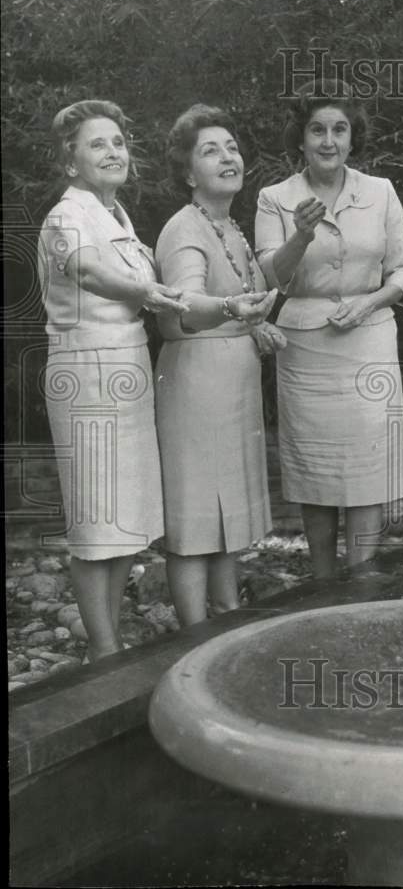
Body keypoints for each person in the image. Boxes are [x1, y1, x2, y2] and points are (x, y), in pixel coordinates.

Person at [38, 99, 187, 662]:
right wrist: (145, 293)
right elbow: (85, 270)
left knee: (128, 517)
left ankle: (109, 639)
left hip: (128, 371)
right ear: (71, 161)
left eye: (119, 142)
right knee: (95, 519)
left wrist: (228, 305)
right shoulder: (64, 215)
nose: (113, 152)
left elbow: (162, 290)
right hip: (84, 376)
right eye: (97, 144)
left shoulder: (120, 218)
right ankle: (104, 650)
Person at [255, 81, 403, 579]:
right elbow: (270, 276)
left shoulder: (381, 192)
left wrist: (369, 303)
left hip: (370, 344)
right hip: (304, 346)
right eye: (317, 129)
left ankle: (363, 583)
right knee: (316, 474)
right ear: (301, 139)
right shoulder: (275, 198)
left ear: (352, 138)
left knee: (368, 473)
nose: (329, 140)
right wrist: (301, 235)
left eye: (339, 130)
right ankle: (325, 583)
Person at [155, 104, 285, 626]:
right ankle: (190, 633)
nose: (228, 156)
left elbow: (238, 297)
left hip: (230, 384)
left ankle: (227, 607)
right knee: (195, 515)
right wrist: (233, 310)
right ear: (189, 173)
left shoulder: (229, 225)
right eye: (211, 151)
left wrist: (255, 325)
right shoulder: (184, 228)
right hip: (197, 385)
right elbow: (184, 303)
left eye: (231, 147)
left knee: (224, 505)